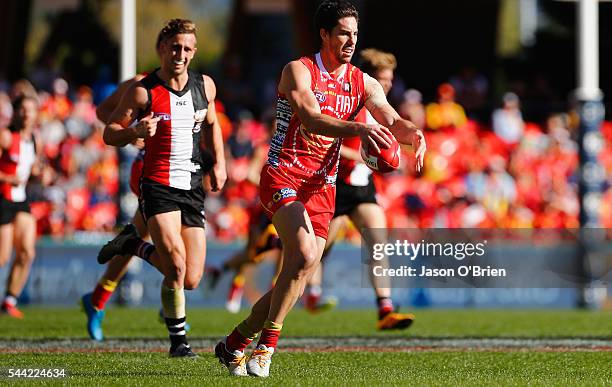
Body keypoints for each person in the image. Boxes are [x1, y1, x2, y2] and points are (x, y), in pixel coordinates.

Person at [214, 0, 425, 377]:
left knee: (302, 266)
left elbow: (390, 117)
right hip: (284, 174)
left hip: (322, 186)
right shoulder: (298, 71)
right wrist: (360, 130)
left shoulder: (364, 81)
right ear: (324, 34)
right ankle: (266, 349)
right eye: (343, 32)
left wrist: (412, 134)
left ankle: (235, 341)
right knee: (306, 253)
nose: (350, 40)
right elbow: (310, 119)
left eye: (355, 34)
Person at [96, 19, 226, 358]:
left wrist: (220, 164)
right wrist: (135, 131)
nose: (180, 54)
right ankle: (178, 343)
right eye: (174, 47)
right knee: (176, 267)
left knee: (192, 278)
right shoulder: (143, 90)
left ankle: (132, 244)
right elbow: (110, 131)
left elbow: (212, 125)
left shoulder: (205, 86)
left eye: (186, 48)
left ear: (194, 52)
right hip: (157, 185)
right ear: (162, 49)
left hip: (192, 187)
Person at [303, 48, 415, 329]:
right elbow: (325, 140)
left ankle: (385, 308)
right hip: (335, 183)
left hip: (362, 186)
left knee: (378, 240)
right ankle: (311, 294)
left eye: (390, 79)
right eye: (382, 79)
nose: (387, 85)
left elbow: (387, 143)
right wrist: (365, 155)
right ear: (368, 79)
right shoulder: (350, 105)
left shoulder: (382, 110)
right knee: (318, 250)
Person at [0, 95, 50, 318]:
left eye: (31, 110)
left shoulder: (35, 139)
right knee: (2, 256)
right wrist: (7, 178)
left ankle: (9, 301)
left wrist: (41, 174)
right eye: (23, 109)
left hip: (21, 200)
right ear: (15, 112)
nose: (27, 114)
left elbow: (33, 170)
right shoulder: (6, 136)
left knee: (27, 253)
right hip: (2, 199)